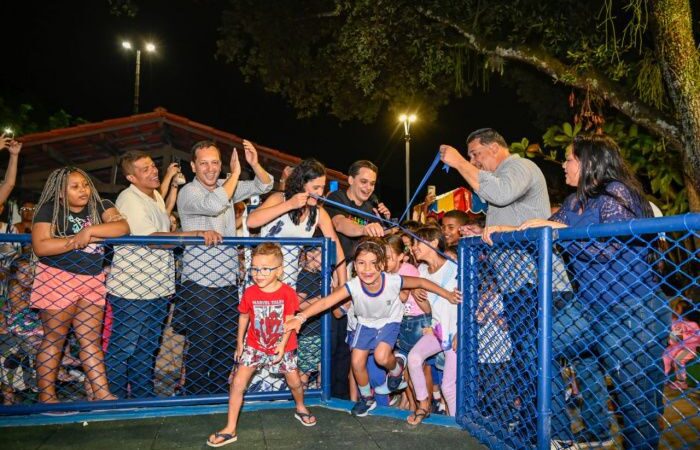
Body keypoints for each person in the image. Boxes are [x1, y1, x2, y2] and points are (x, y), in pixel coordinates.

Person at [514, 134, 667, 448]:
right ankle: (558, 433)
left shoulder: (617, 193)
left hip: (631, 308)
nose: (564, 165)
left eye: (570, 158)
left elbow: (606, 247)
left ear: (589, 162)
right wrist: (503, 230)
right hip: (588, 307)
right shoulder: (573, 202)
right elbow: (546, 225)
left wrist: (559, 230)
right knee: (537, 347)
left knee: (635, 397)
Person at [285, 238, 461, 417]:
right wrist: (301, 317)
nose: (367, 269)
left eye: (373, 263)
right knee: (356, 362)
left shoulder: (392, 281)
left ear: (382, 264)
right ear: (355, 265)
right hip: (365, 324)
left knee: (381, 356)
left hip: (388, 322)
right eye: (361, 263)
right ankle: (367, 398)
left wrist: (447, 295)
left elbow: (422, 283)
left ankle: (396, 369)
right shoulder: (353, 285)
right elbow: (326, 302)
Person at [105, 151, 221, 399]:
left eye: (152, 166)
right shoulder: (129, 199)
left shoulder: (154, 196)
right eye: (144, 169)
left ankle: (143, 396)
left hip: (156, 286)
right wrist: (195, 234)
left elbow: (163, 227)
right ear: (131, 177)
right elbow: (154, 240)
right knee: (123, 348)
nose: (153, 171)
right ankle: (110, 399)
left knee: (146, 348)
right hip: (132, 289)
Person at [176, 139, 273, 395]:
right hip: (199, 283)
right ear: (193, 166)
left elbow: (265, 184)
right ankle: (193, 396)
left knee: (224, 343)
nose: (210, 169)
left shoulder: (224, 186)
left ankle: (219, 393)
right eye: (204, 163)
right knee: (202, 344)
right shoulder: (188, 191)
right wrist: (236, 174)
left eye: (215, 163)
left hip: (228, 281)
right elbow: (214, 204)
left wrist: (254, 164)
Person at [31, 167, 130, 403]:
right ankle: (47, 398)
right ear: (61, 193)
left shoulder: (101, 204)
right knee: (54, 339)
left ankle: (102, 394)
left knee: (90, 341)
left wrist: (90, 231)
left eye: (85, 184)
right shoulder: (49, 208)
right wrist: (78, 241)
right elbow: (42, 246)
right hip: (58, 277)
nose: (83, 190)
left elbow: (122, 228)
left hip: (92, 279)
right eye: (75, 187)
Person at [206, 243, 314, 447]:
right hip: (255, 346)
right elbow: (244, 316)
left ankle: (300, 406)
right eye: (255, 268)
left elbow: (290, 321)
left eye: (265, 268)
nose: (259, 273)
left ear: (279, 271)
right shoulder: (250, 292)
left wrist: (282, 346)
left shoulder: (288, 293)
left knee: (294, 382)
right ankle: (230, 428)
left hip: (283, 346)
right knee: (237, 383)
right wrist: (240, 343)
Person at [324, 160, 391, 400]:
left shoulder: (373, 205)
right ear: (350, 180)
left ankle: (344, 396)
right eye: (363, 181)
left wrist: (382, 222)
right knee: (333, 338)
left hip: (363, 282)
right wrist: (366, 228)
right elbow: (340, 224)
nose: (368, 187)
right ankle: (328, 393)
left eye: (372, 183)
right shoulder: (337, 197)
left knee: (352, 342)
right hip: (336, 278)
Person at [246, 158, 346, 288]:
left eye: (322, 187)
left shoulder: (319, 213)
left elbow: (336, 247)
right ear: (301, 184)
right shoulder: (279, 199)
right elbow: (251, 221)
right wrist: (290, 204)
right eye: (316, 187)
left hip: (289, 282)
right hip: (261, 278)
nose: (320, 193)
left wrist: (344, 285)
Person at [407, 227, 459, 423]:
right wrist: (415, 295)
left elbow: (468, 303)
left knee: (447, 387)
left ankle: (454, 426)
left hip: (455, 332)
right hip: (438, 331)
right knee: (413, 358)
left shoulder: (455, 267)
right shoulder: (420, 271)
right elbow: (428, 308)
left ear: (434, 242)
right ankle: (423, 405)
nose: (413, 248)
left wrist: (461, 332)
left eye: (417, 243)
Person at [374, 234, 428, 412]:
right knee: (404, 364)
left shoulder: (407, 270)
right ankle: (411, 401)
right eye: (381, 258)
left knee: (417, 366)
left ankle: (424, 405)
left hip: (416, 322)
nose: (384, 262)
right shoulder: (391, 272)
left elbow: (403, 297)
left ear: (401, 256)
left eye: (388, 258)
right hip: (403, 321)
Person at [663, 299, 699, 391]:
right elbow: (673, 340)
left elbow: (697, 337)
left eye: (678, 309)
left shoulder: (692, 324)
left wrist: (683, 336)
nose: (675, 310)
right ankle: (666, 376)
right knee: (665, 356)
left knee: (678, 360)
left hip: (690, 347)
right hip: (676, 347)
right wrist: (674, 338)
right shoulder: (676, 322)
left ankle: (681, 382)